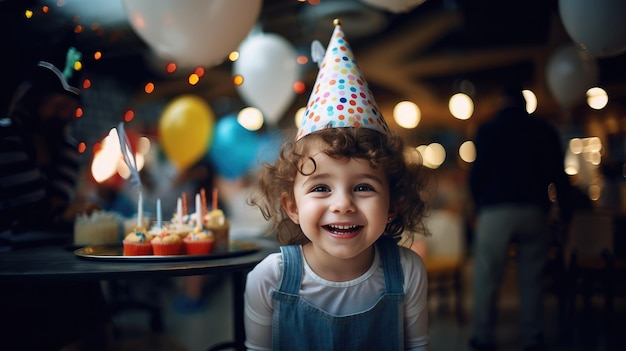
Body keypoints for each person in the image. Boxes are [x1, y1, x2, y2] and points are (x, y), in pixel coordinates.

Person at [244, 20, 430, 350]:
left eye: (363, 187)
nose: (342, 204)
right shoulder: (268, 279)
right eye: (320, 188)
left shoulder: (407, 270)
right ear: (292, 206)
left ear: (394, 203)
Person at [0, 48, 109, 350]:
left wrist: (61, 210)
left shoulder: (66, 148)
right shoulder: (6, 138)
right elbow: (39, 210)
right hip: (12, 258)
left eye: (70, 109)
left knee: (91, 303)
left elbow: (56, 206)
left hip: (58, 253)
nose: (63, 115)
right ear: (34, 100)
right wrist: (63, 211)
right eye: (58, 105)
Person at [467, 83, 585, 351]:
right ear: (525, 104)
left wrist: (477, 207)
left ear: (501, 101)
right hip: (534, 209)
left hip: (495, 210)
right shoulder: (544, 129)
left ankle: (482, 338)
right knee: (532, 278)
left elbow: (477, 177)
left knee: (487, 277)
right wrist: (565, 212)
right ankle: (532, 338)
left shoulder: (487, 130)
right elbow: (558, 174)